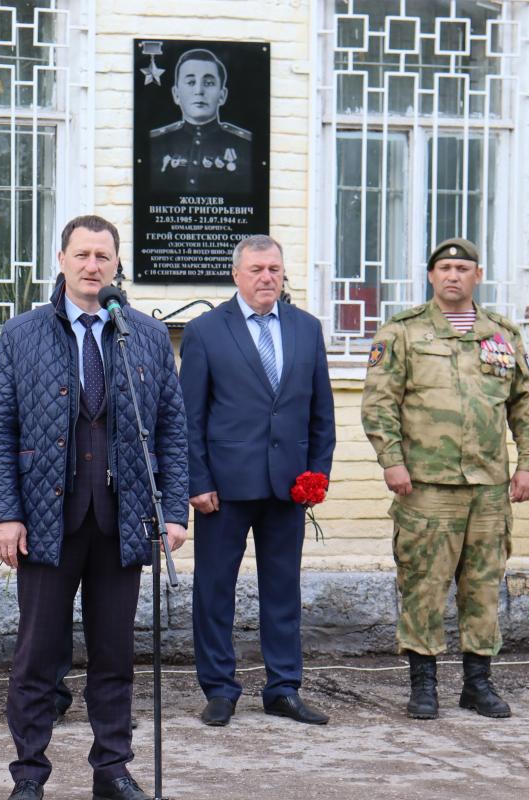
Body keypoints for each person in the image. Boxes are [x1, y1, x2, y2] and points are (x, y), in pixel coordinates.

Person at [0, 215, 189, 800]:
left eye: (103, 255)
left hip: (123, 520)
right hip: (48, 520)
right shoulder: (23, 334)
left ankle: (113, 768)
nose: (92, 265)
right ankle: (29, 772)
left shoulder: (142, 335)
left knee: (115, 654)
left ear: (117, 263)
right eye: (82, 255)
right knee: (37, 655)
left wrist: (172, 510)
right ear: (61, 259)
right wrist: (5, 514)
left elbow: (171, 428)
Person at [361, 237, 529, 720]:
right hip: (426, 485)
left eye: (462, 268)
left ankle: (477, 683)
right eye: (444, 267)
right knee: (424, 584)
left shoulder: (501, 334)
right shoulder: (402, 333)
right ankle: (423, 685)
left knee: (483, 585)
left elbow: (525, 402)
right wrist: (392, 460)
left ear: (477, 276)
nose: (453, 276)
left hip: (489, 487)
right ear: (430, 276)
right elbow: (379, 404)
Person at [180, 234, 335, 727]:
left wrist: (317, 473)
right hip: (223, 491)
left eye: (274, 269)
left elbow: (321, 414)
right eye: (257, 270)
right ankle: (220, 689)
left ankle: (283, 687)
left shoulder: (306, 329)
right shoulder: (206, 331)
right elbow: (190, 416)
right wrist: (196, 481)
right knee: (214, 590)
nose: (267, 277)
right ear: (236, 275)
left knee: (283, 590)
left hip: (288, 487)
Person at [149, 47, 252, 194]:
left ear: (222, 95)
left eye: (209, 83)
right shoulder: (155, 143)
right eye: (191, 82)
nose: (199, 90)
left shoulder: (246, 145)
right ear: (176, 94)